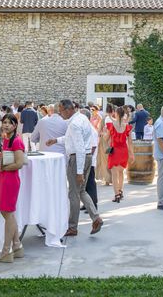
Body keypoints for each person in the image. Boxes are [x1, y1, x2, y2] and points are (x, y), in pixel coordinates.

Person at [45, 100, 103, 237]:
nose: (60, 114)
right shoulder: (81, 118)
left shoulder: (75, 123)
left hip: (78, 158)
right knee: (81, 190)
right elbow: (73, 139)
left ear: (67, 110)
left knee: (73, 194)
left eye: (60, 111)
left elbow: (79, 147)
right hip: (86, 156)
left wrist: (78, 172)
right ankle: (96, 218)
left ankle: (72, 227)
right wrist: (56, 140)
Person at [0, 113, 26, 263]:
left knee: (8, 214)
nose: (6, 125)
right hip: (4, 178)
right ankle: (17, 246)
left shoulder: (16, 141)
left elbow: (19, 164)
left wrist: (1, 169)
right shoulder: (7, 139)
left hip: (10, 180)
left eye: (9, 123)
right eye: (4, 122)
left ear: (15, 125)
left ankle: (7, 250)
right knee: (6, 213)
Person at [106, 106, 134, 203]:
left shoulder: (111, 125)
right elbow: (130, 142)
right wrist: (132, 154)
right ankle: (121, 191)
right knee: (121, 172)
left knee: (114, 174)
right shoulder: (127, 126)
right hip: (124, 151)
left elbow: (106, 138)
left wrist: (106, 136)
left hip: (114, 151)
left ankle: (116, 194)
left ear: (116, 114)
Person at [95, 104, 114, 185]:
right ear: (113, 111)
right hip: (112, 141)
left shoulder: (104, 119)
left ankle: (107, 179)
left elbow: (99, 131)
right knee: (110, 159)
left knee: (104, 160)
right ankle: (111, 178)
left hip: (104, 141)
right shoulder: (114, 120)